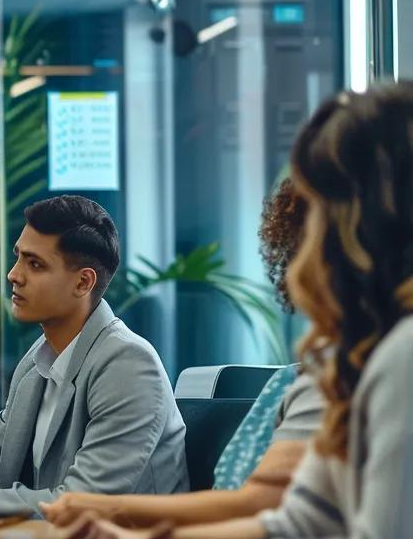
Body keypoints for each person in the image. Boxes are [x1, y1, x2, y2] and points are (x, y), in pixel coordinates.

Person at [68, 84, 413, 538]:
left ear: (361, 227)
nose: (301, 244)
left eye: (318, 215)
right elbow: (299, 524)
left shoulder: (401, 355)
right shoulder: (363, 357)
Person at [42, 180, 324, 528]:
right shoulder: (297, 380)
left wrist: (109, 512)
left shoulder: (334, 380)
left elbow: (258, 507)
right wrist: (100, 509)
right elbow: (244, 501)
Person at [0, 195, 187, 518]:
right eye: (18, 258)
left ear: (83, 282)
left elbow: (80, 504)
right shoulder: (37, 362)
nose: (14, 275)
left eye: (34, 264)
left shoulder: (130, 366)